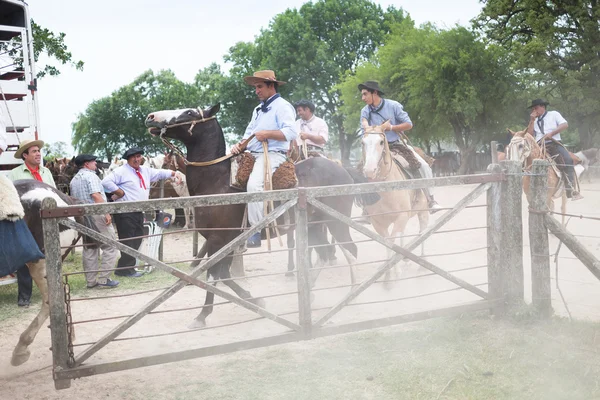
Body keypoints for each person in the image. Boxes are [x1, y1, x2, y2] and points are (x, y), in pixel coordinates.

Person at [230, 70, 298, 248]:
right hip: (253, 154)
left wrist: (267, 134)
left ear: (271, 86)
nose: (256, 91)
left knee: (254, 186)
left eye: (259, 86)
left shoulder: (283, 106)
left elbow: (291, 132)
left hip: (273, 154)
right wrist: (240, 145)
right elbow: (249, 133)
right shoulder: (258, 109)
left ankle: (255, 229)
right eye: (255, 87)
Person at [358, 80, 441, 212]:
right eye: (362, 95)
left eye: (365, 94)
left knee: (423, 166)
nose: (363, 98)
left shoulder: (393, 105)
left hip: (396, 144)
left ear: (374, 92)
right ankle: (366, 208)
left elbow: (409, 124)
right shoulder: (365, 111)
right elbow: (364, 132)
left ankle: (430, 199)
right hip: (375, 148)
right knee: (361, 170)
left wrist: (391, 127)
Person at [101, 147, 180, 277]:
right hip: (125, 211)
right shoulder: (121, 171)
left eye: (139, 157)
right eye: (134, 157)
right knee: (128, 239)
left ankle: (126, 268)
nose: (137, 159)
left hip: (138, 210)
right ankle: (125, 269)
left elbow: (159, 173)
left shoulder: (145, 171)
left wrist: (173, 173)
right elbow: (105, 182)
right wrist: (119, 192)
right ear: (128, 159)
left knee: (137, 238)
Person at [9, 139, 56, 307]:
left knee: (50, 255)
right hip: (26, 222)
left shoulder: (46, 172)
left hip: (46, 221)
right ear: (25, 155)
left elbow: (54, 193)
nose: (38, 154)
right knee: (24, 257)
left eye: (38, 151)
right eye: (34, 151)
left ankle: (53, 292)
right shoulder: (14, 174)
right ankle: (24, 296)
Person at [70, 154, 120, 288]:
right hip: (96, 214)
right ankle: (104, 279)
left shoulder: (74, 180)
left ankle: (91, 281)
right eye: (93, 162)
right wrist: (106, 212)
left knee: (90, 247)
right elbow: (96, 196)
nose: (96, 164)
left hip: (81, 216)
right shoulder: (91, 176)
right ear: (86, 164)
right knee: (110, 246)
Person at [526, 98, 582, 200]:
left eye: (536, 108)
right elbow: (529, 135)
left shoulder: (554, 114)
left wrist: (552, 133)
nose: (534, 111)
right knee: (525, 158)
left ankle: (571, 190)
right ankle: (526, 185)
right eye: (533, 109)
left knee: (568, 160)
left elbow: (565, 124)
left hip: (554, 144)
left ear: (542, 107)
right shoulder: (534, 120)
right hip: (538, 146)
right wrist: (532, 120)